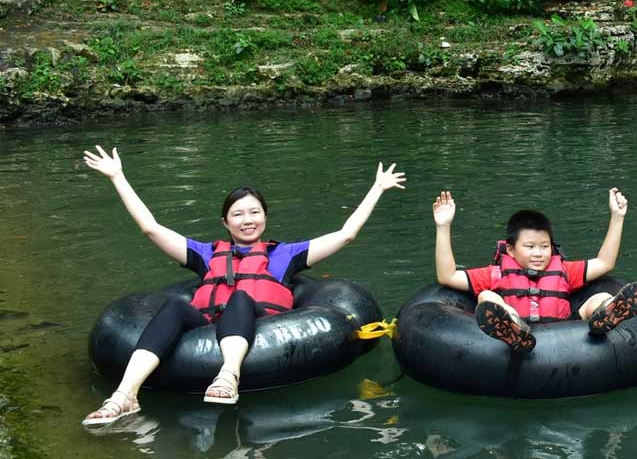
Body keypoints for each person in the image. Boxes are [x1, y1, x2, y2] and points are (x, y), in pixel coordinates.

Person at [81, 146, 406, 426]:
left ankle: (229, 376)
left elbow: (345, 234)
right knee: (177, 306)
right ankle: (125, 395)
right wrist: (117, 177)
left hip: (262, 324)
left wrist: (377, 188)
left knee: (239, 297)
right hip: (208, 325)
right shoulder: (206, 254)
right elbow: (151, 229)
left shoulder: (285, 255)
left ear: (265, 217)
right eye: (238, 214)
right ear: (226, 222)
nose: (247, 219)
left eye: (254, 212)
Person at [431, 188, 637, 354]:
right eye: (529, 247)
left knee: (601, 297)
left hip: (568, 331)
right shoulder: (495, 273)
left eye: (545, 246)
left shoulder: (564, 269)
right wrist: (443, 226)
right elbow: (447, 276)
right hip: (518, 326)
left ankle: (606, 315)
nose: (539, 253)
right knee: (487, 296)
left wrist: (617, 217)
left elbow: (604, 263)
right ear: (511, 249)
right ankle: (511, 328)